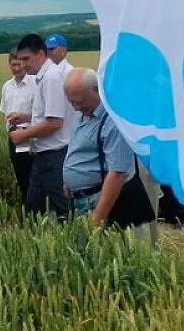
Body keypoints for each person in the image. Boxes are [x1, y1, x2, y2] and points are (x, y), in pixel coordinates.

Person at [62, 68, 154, 232]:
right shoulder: (82, 114)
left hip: (99, 202)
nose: (75, 107)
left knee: (104, 252)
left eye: (80, 101)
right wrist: (70, 181)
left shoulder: (112, 121)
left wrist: (97, 218)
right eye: (71, 102)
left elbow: (117, 173)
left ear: (97, 89)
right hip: (79, 200)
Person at [11, 34, 71, 217]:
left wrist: (24, 135)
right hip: (43, 154)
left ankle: (74, 241)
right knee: (32, 205)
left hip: (55, 155)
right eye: (19, 60)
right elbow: (47, 114)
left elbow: (55, 122)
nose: (23, 64)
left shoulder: (51, 78)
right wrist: (24, 116)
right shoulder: (42, 77)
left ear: (40, 54)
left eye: (26, 59)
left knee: (62, 208)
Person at [0, 48, 36, 201]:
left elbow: (43, 115)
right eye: (13, 65)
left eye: (20, 64)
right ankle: (25, 204)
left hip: (31, 137)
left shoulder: (35, 83)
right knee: (20, 174)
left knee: (32, 175)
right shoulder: (7, 86)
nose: (17, 68)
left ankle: (35, 208)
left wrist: (21, 117)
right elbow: (4, 111)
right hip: (14, 137)